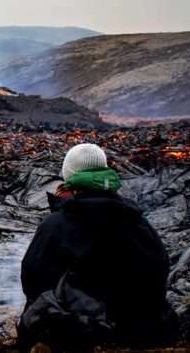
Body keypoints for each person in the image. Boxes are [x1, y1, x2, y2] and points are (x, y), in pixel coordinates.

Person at [20, 143, 178, 348]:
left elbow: (33, 279)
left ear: (68, 176)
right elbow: (160, 266)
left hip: (89, 331)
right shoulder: (136, 219)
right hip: (149, 330)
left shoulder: (58, 224)